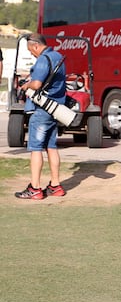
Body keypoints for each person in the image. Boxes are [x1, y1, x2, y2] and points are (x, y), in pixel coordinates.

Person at [15, 33, 66, 200]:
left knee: (35, 148)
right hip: (56, 108)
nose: (31, 54)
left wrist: (26, 85)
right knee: (51, 146)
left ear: (36, 46)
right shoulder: (58, 56)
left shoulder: (43, 59)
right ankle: (55, 185)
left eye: (31, 51)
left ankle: (35, 188)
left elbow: (36, 84)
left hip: (42, 109)